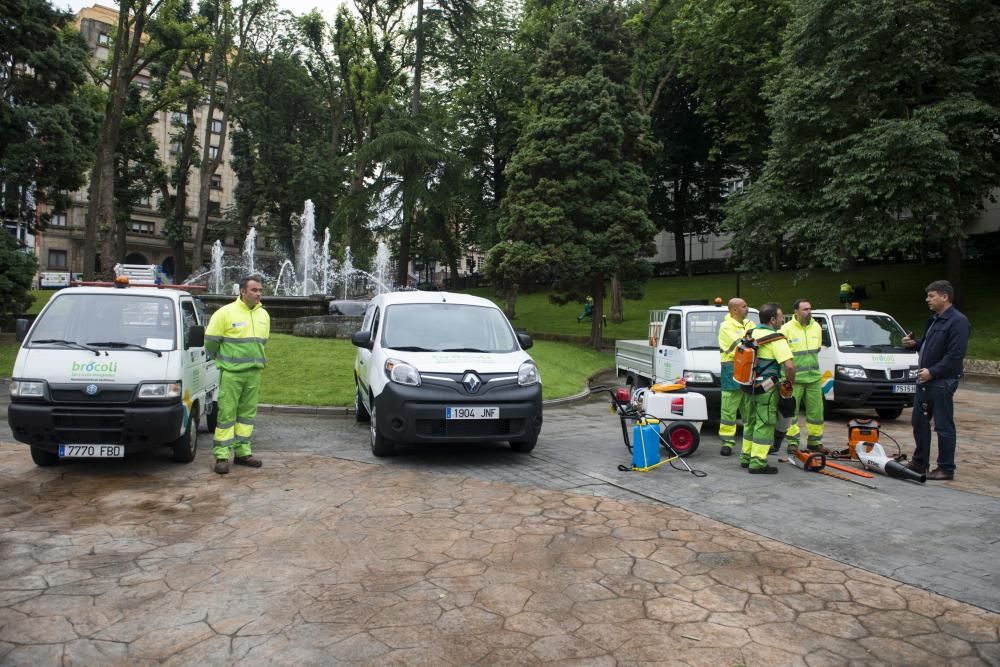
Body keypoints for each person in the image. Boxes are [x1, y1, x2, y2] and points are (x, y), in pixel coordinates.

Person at [902, 280, 971, 481]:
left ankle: (946, 468)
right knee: (919, 422)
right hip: (925, 380)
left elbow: (955, 355)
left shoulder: (958, 321)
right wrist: (914, 344)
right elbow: (928, 344)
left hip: (942, 381)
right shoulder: (935, 319)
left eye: (931, 296)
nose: (927, 299)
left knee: (943, 425)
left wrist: (932, 372)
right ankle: (920, 462)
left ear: (944, 297)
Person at [205, 276, 270, 475]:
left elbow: (262, 342)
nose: (258, 293)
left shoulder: (264, 315)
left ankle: (243, 453)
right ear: (242, 291)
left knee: (247, 416)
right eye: (254, 290)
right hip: (232, 373)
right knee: (226, 414)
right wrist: (222, 360)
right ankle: (222, 456)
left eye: (260, 290)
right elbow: (210, 342)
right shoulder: (225, 313)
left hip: (254, 372)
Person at [740, 303, 796, 474]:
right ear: (772, 319)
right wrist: (789, 384)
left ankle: (746, 456)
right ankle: (757, 462)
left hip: (748, 385)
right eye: (780, 317)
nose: (782, 320)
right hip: (766, 388)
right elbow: (790, 367)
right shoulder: (776, 339)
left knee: (750, 422)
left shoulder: (750, 333)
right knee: (765, 423)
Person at [779, 299, 826, 454]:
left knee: (816, 413)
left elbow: (816, 349)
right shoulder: (786, 329)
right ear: (796, 312)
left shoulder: (817, 327)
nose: (809, 312)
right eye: (805, 309)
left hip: (813, 378)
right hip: (794, 379)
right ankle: (792, 442)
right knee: (792, 413)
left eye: (810, 309)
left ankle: (815, 442)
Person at [718, 297, 755, 457]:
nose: (747, 309)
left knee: (749, 408)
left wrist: (749, 342)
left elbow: (753, 343)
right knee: (729, 408)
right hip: (731, 370)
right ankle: (727, 442)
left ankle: (750, 441)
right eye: (744, 306)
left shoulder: (750, 324)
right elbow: (738, 347)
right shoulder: (725, 327)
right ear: (734, 310)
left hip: (748, 369)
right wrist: (749, 342)